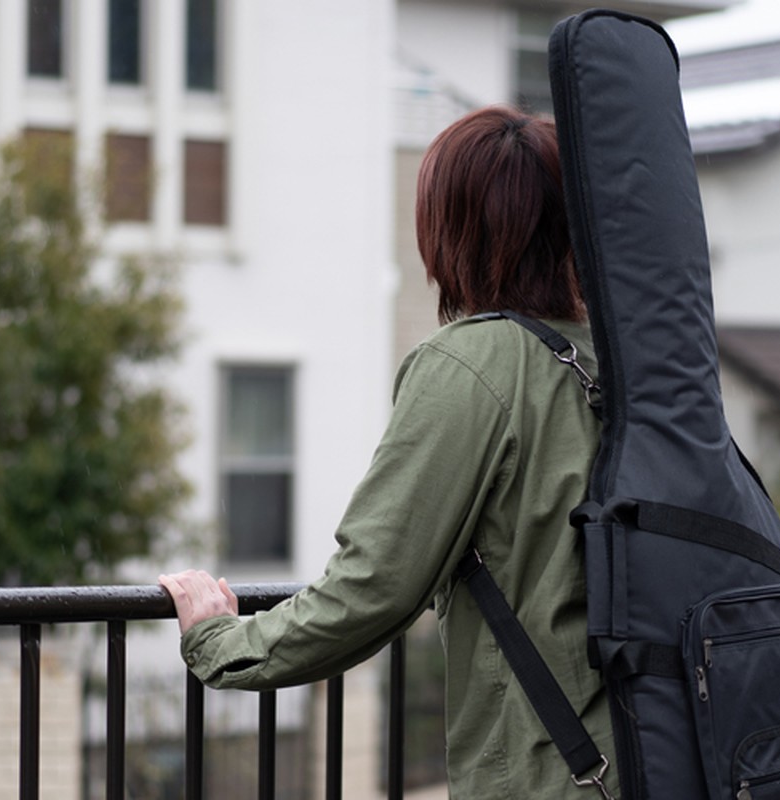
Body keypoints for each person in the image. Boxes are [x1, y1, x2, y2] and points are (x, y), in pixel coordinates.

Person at [160, 105, 613, 798]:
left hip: (554, 775)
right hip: (650, 749)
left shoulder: (471, 363)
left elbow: (374, 583)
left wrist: (222, 643)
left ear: (452, 231)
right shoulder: (612, 361)